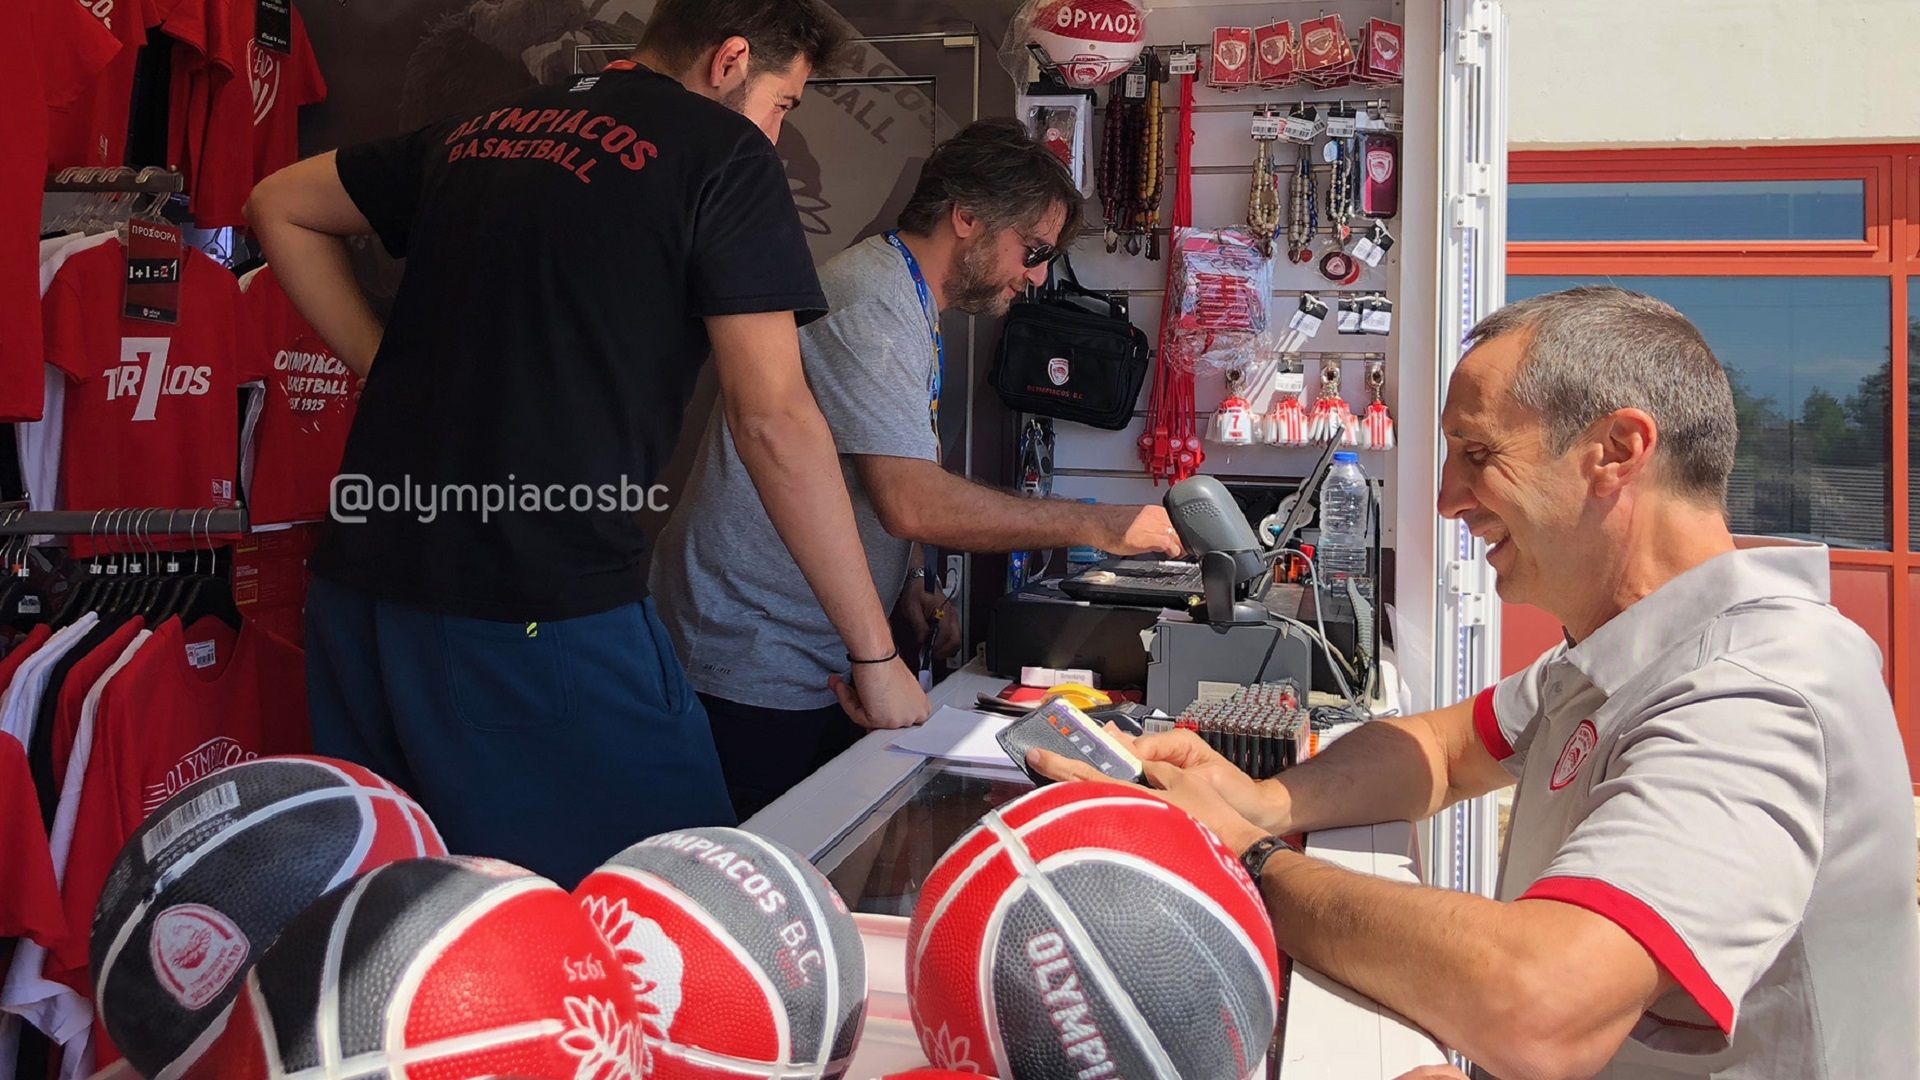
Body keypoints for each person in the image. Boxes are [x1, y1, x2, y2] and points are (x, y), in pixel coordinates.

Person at [1034, 287, 1920, 1080]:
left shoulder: (1754, 691)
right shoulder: (1626, 651)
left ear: (1617, 450)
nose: (1449, 498)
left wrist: (1244, 858)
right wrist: (1264, 801)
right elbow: (1444, 747)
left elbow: (1539, 1007)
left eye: (1479, 452)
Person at [242, 0, 930, 888]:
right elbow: (773, 421)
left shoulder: (485, 130)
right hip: (534, 609)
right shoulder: (725, 156)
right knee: (676, 899)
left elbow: (279, 204)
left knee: (408, 916)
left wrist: (386, 365)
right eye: (784, 104)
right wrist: (875, 656)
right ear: (729, 61)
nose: (775, 132)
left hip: (360, 600)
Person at [651, 119, 1183, 820]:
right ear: (966, 217)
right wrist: (1100, 525)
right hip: (751, 657)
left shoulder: (905, 298)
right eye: (1033, 251)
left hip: (810, 651)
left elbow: (869, 475)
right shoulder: (871, 302)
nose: (1037, 278)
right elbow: (911, 502)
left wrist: (908, 580)